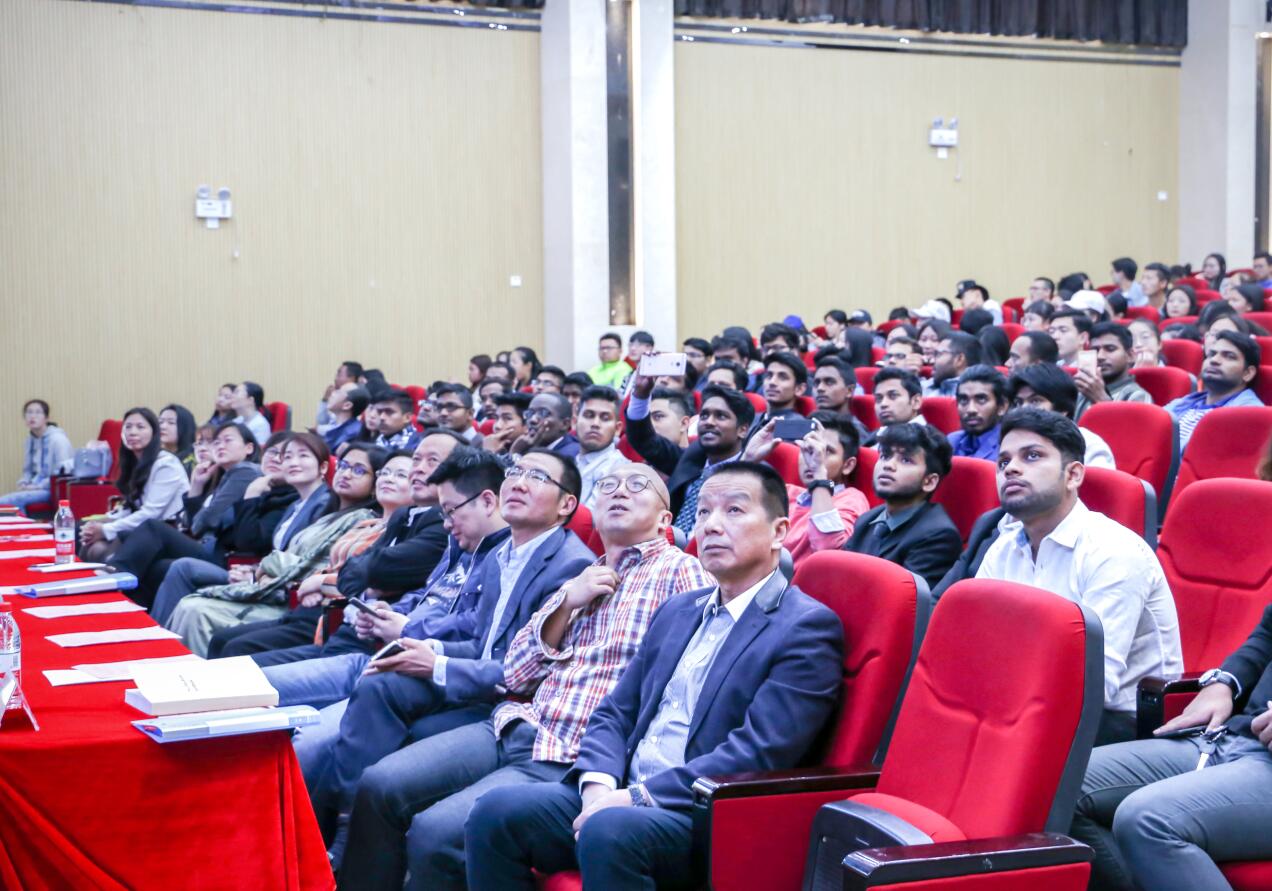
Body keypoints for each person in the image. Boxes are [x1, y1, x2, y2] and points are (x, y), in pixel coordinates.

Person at [465, 461, 844, 891]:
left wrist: (632, 799)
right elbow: (615, 711)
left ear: (779, 532)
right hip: (621, 792)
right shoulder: (681, 609)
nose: (711, 525)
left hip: (699, 813)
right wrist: (597, 788)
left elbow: (758, 753)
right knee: (495, 814)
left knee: (609, 832)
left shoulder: (805, 627)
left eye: (734, 510)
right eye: (704, 512)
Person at [327, 450, 599, 875]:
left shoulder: (571, 565)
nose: (518, 482)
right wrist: (428, 649)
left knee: (395, 780)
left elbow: (525, 670)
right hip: (480, 681)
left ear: (566, 505)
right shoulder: (499, 555)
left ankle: (356, 840)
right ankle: (346, 834)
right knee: (381, 686)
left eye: (537, 477)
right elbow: (481, 644)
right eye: (515, 472)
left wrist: (437, 664)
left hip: (514, 707)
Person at [265, 449, 514, 790]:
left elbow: (478, 630)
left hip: (416, 674)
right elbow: (427, 594)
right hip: (377, 654)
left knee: (303, 746)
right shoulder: (460, 544)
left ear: (487, 501)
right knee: (258, 685)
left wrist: (408, 627)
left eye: (450, 511)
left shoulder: (507, 559)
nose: (446, 523)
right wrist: (389, 612)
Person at [978, 408, 1181, 745]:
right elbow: (979, 647)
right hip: (1025, 707)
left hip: (1118, 724)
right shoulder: (1003, 548)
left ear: (1073, 475)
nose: (1010, 468)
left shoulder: (1113, 551)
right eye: (1003, 461)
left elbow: (1093, 685)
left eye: (1032, 456)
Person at [1071, 603, 1272, 891]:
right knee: (1062, 785)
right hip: (1231, 735)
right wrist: (1224, 682)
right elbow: (1267, 634)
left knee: (1147, 819)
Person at [237, 432, 461, 666]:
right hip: (324, 615)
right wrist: (338, 580)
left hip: (343, 625)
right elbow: (351, 569)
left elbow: (373, 568)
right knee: (234, 653)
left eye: (400, 474)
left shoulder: (434, 523)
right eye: (386, 473)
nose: (419, 469)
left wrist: (323, 582)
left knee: (241, 658)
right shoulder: (393, 519)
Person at [164, 439, 380, 654]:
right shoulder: (323, 512)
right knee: (188, 601)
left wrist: (263, 568)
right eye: (343, 466)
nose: (346, 474)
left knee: (194, 607)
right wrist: (261, 570)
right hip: (277, 586)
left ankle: (186, 672)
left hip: (296, 601)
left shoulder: (359, 518)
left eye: (359, 470)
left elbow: (308, 565)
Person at [109, 422, 263, 606]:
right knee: (153, 565)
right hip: (208, 548)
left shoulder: (244, 473)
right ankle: (128, 610)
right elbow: (191, 523)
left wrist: (199, 520)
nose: (220, 446)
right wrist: (196, 485)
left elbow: (202, 524)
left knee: (152, 528)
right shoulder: (223, 476)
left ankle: (112, 578)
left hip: (225, 558)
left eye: (228, 440)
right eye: (216, 442)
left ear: (249, 448)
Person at [625, 377, 754, 535]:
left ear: (742, 430)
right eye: (704, 415)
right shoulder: (691, 458)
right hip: (665, 544)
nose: (709, 422)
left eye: (720, 416)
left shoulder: (752, 472)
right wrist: (641, 395)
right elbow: (643, 439)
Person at [844, 422, 961, 588]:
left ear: (929, 481)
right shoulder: (867, 520)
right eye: (885, 456)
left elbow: (905, 599)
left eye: (906, 460)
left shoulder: (938, 535)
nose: (888, 465)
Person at [743, 412, 869, 561]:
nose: (813, 456)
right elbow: (730, 515)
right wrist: (747, 460)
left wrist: (819, 474)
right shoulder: (786, 491)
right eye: (807, 448)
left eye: (826, 451)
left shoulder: (852, 498)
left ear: (848, 465)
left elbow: (827, 552)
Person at [79, 408, 190, 562]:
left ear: (154, 432)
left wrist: (106, 529)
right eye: (128, 427)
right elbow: (131, 508)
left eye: (140, 427)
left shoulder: (166, 464)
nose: (132, 432)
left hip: (166, 531)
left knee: (98, 549)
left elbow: (151, 513)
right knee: (86, 534)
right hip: (143, 527)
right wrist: (98, 525)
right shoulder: (134, 462)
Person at [1164, 331, 1264, 448]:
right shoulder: (1184, 402)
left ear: (1247, 373)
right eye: (1211, 354)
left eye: (1229, 356)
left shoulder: (1249, 414)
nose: (1214, 360)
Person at [1006, 364, 1115, 468]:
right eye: (1018, 403)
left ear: (1063, 409)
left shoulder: (1089, 445)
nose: (1023, 409)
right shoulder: (1011, 441)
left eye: (1035, 401)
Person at [0, 399, 73, 514]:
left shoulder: (58, 440)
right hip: (34, 487)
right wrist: (24, 482)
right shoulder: (30, 440)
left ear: (46, 418)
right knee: (8, 502)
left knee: (5, 502)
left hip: (51, 489)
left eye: (38, 412)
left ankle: (24, 525)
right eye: (29, 412)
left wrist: (38, 486)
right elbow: (27, 471)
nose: (32, 416)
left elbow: (64, 473)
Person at [1073, 322, 1153, 420]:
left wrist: (1100, 399)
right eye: (1095, 350)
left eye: (1110, 349)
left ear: (1130, 356)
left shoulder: (1137, 395)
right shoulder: (1084, 391)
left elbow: (1133, 429)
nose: (1100, 356)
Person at [574, 386, 630, 508]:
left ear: (617, 429)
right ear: (575, 422)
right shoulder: (571, 460)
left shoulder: (619, 468)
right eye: (589, 415)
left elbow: (592, 517)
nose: (595, 424)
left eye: (605, 418)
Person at [947, 365, 1008, 460]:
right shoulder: (952, 441)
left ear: (1002, 406)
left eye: (981, 399)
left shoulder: (1008, 447)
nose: (971, 410)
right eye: (963, 400)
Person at [513, 393, 579, 458]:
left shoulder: (572, 454)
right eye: (530, 413)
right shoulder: (526, 447)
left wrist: (515, 454)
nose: (533, 420)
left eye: (543, 413)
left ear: (565, 424)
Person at [870, 367, 926, 436]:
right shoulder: (877, 435)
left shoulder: (926, 439)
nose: (883, 404)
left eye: (893, 395)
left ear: (916, 402)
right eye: (879, 398)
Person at [757, 352, 808, 423]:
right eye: (769, 375)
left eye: (783, 377)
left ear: (799, 389)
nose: (772, 382)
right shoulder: (753, 419)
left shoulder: (797, 424)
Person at [928, 331, 982, 397]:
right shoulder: (924, 386)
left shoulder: (977, 393)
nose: (933, 360)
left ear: (959, 359)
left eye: (939, 354)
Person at [316, 362, 364, 432]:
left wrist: (319, 430)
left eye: (339, 375)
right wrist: (325, 400)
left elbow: (343, 429)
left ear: (352, 378)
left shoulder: (359, 398)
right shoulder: (337, 399)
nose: (335, 379)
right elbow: (322, 421)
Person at [322, 384, 369, 452]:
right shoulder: (337, 426)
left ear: (347, 405)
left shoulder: (353, 434)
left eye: (339, 392)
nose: (333, 393)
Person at [481, 392, 531, 456]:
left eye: (507, 418)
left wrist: (488, 453)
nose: (497, 426)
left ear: (527, 425)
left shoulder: (533, 455)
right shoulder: (490, 447)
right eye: (496, 418)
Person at [158, 404, 197, 475]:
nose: (163, 427)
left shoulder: (194, 459)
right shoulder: (154, 455)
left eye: (171, 423)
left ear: (185, 427)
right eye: (160, 422)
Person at [232, 381, 272, 445]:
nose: (232, 396)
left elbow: (259, 450)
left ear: (250, 400)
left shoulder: (261, 425)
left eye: (237, 392)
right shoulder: (236, 421)